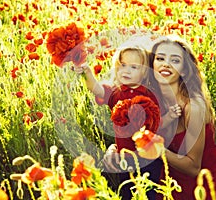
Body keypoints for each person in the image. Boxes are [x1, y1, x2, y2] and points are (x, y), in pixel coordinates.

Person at [147, 34, 216, 200]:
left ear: (184, 69)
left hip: (207, 186)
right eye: (160, 58)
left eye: (175, 60)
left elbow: (194, 167)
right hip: (172, 183)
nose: (166, 64)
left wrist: (158, 150)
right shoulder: (156, 101)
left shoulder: (193, 106)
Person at [74, 40, 181, 200]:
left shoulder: (150, 94)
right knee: (128, 192)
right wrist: (87, 72)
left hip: (148, 157)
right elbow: (96, 88)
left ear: (144, 72)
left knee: (149, 192)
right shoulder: (115, 92)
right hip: (125, 158)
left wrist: (170, 117)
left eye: (133, 67)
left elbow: (157, 125)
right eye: (122, 65)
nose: (126, 71)